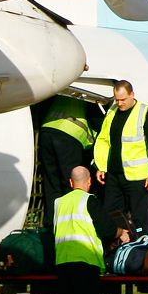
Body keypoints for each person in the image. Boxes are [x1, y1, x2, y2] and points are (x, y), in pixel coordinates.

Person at [53, 165, 125, 294]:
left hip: (63, 264)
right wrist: (122, 232)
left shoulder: (59, 203)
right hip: (85, 264)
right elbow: (106, 230)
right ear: (89, 182)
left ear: (70, 182)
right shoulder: (89, 201)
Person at [94, 80, 148, 240]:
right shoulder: (112, 112)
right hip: (114, 176)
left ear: (132, 95)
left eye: (123, 99)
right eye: (117, 100)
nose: (120, 103)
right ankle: (115, 252)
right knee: (112, 215)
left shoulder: (145, 113)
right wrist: (101, 166)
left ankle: (140, 251)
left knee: (139, 219)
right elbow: (103, 140)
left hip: (137, 178)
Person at [38, 95, 103, 230]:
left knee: (51, 184)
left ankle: (51, 224)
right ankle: (68, 224)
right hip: (69, 136)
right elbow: (97, 121)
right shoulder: (91, 95)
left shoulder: (70, 90)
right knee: (70, 184)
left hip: (47, 130)